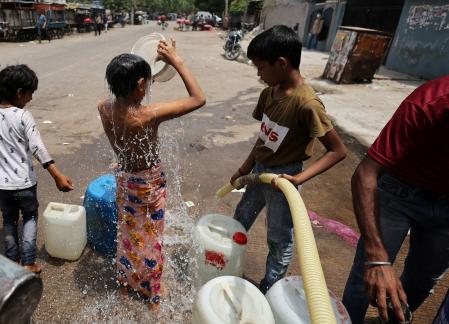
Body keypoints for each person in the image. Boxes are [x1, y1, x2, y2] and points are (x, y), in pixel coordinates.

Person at [229, 25, 347, 294]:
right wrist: (243, 169)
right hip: (259, 172)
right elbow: (264, 137)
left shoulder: (307, 104)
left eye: (261, 68)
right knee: (240, 218)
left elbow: (338, 151)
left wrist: (297, 179)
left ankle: (270, 288)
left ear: (281, 63)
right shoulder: (269, 93)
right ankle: (228, 263)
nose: (259, 74)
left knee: (279, 239)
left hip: (284, 180)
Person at [98, 39, 205, 309]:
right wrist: (176, 61)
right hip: (148, 184)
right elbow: (199, 98)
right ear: (141, 85)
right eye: (147, 81)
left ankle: (126, 281)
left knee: (129, 232)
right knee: (151, 236)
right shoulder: (146, 115)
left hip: (125, 180)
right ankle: (152, 291)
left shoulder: (104, 108)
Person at [342, 76, 449, 324]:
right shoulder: (431, 101)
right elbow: (365, 173)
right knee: (367, 276)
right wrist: (377, 257)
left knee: (422, 282)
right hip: (399, 191)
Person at [0, 65, 74, 273]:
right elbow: (37, 148)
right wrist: (57, 175)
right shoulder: (23, 116)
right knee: (30, 217)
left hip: (2, 187)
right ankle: (29, 262)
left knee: (9, 220)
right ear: (19, 93)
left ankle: (12, 260)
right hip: (24, 183)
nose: (31, 99)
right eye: (30, 94)